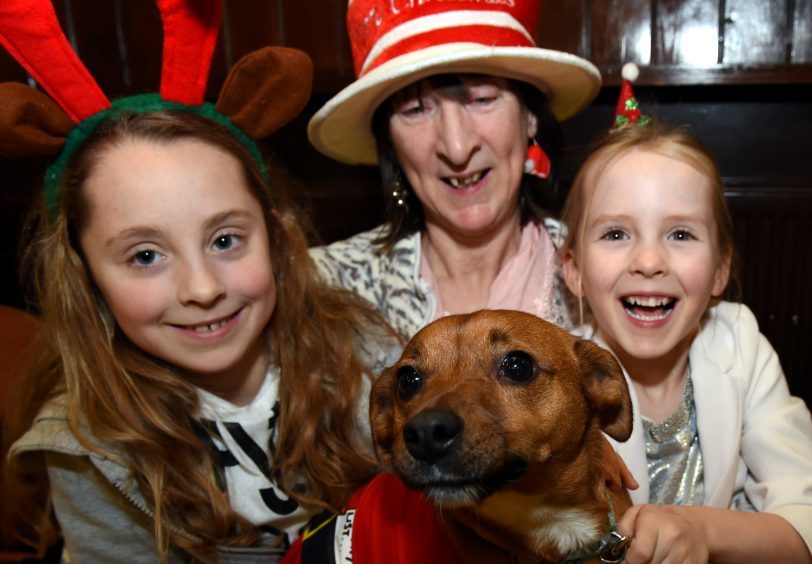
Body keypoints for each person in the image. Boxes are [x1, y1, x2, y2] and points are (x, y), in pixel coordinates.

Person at [0, 2, 398, 562]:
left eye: (225, 240)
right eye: (145, 255)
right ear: (85, 276)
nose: (202, 287)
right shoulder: (85, 447)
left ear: (277, 238)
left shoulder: (368, 358)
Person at [559, 119, 812, 562]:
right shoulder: (556, 377)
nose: (650, 261)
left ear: (720, 269)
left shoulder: (742, 344)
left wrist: (702, 531)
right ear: (574, 269)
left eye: (681, 234)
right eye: (616, 233)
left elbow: (804, 521)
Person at [307, 0, 603, 339]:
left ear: (530, 117)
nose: (457, 148)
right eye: (416, 109)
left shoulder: (604, 275)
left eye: (481, 99)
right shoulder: (325, 294)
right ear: (390, 144)